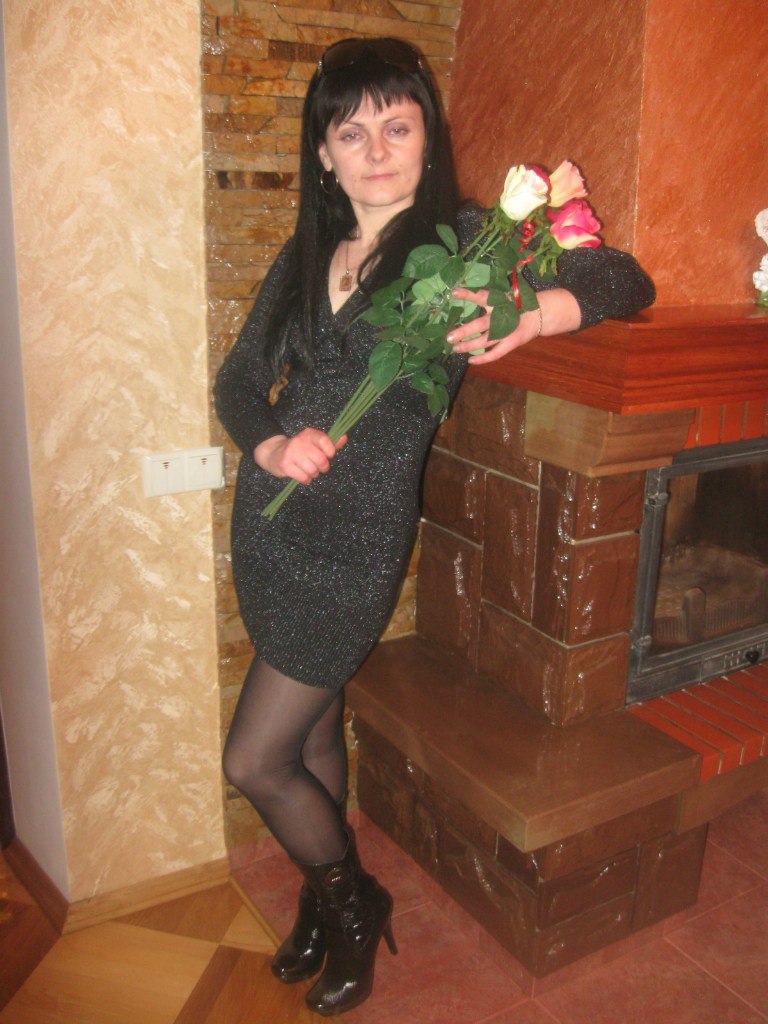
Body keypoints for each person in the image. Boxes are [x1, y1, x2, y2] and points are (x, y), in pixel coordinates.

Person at [214, 36, 655, 1017]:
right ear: (323, 153)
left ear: (428, 139)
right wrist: (270, 445)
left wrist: (532, 315)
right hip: (272, 530)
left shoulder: (468, 243)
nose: (376, 150)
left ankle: (355, 904)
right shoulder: (305, 254)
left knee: (254, 759)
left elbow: (627, 279)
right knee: (311, 725)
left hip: (356, 543)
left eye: (397, 126)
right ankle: (323, 902)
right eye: (351, 132)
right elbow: (238, 380)